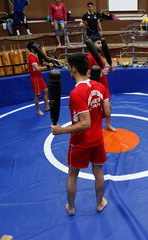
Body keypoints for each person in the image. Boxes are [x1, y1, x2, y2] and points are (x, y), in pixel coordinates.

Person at [51, 52, 110, 216]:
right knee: (98, 172)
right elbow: (107, 111)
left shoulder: (76, 93)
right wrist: (96, 111)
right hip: (97, 138)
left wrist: (61, 130)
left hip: (80, 142)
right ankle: (100, 203)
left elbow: (85, 123)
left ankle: (71, 207)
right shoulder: (100, 86)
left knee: (72, 174)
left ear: (73, 69)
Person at [87, 35, 116, 131]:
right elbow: (86, 75)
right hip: (94, 88)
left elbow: (102, 70)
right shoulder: (89, 58)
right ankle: (95, 127)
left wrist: (108, 69)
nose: (100, 45)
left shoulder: (100, 56)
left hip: (104, 86)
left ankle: (108, 124)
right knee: (95, 110)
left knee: (108, 109)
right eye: (98, 43)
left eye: (101, 43)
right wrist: (100, 73)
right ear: (92, 45)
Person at [27, 42, 52, 115]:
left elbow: (39, 64)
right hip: (35, 78)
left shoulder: (35, 55)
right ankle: (38, 110)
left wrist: (47, 63)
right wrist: (47, 67)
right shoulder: (31, 57)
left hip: (39, 77)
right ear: (32, 49)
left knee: (46, 91)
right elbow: (37, 68)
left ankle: (47, 107)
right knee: (37, 95)